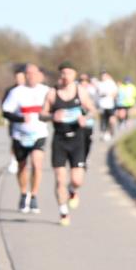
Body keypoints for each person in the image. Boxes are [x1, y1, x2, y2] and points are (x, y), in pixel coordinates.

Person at [43, 62, 97, 226]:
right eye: (63, 73)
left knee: (77, 180)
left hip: (77, 140)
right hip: (59, 139)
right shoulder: (52, 93)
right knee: (60, 179)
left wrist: (85, 118)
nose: (65, 76)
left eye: (69, 73)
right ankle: (63, 212)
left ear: (74, 75)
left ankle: (73, 191)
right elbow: (41, 114)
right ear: (60, 75)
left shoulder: (80, 91)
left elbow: (93, 109)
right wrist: (52, 116)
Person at [2, 63, 52, 214]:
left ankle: (34, 195)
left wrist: (50, 117)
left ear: (39, 75)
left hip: (39, 134)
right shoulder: (16, 92)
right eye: (28, 73)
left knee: (37, 164)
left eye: (34, 73)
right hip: (20, 135)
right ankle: (24, 194)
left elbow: (54, 110)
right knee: (22, 166)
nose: (31, 76)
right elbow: (5, 112)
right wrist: (20, 119)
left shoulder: (46, 91)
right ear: (25, 75)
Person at [2, 66, 26, 174]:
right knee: (14, 141)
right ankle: (13, 160)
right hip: (14, 121)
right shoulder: (10, 91)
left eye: (21, 78)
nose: (19, 80)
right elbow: (5, 107)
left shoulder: (29, 90)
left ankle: (23, 161)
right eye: (17, 78)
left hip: (28, 122)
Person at [78, 73, 99, 158]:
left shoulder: (92, 93)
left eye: (85, 81)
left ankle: (84, 158)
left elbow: (95, 107)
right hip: (77, 122)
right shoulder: (75, 92)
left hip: (89, 122)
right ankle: (79, 159)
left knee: (87, 141)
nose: (83, 82)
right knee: (78, 142)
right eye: (81, 81)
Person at [96, 71, 118, 141]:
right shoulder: (99, 84)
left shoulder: (111, 83)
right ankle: (104, 133)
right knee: (103, 120)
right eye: (102, 76)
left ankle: (110, 131)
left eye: (104, 76)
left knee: (111, 120)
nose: (103, 77)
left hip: (110, 105)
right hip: (102, 105)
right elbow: (97, 93)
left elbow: (115, 92)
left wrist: (111, 96)